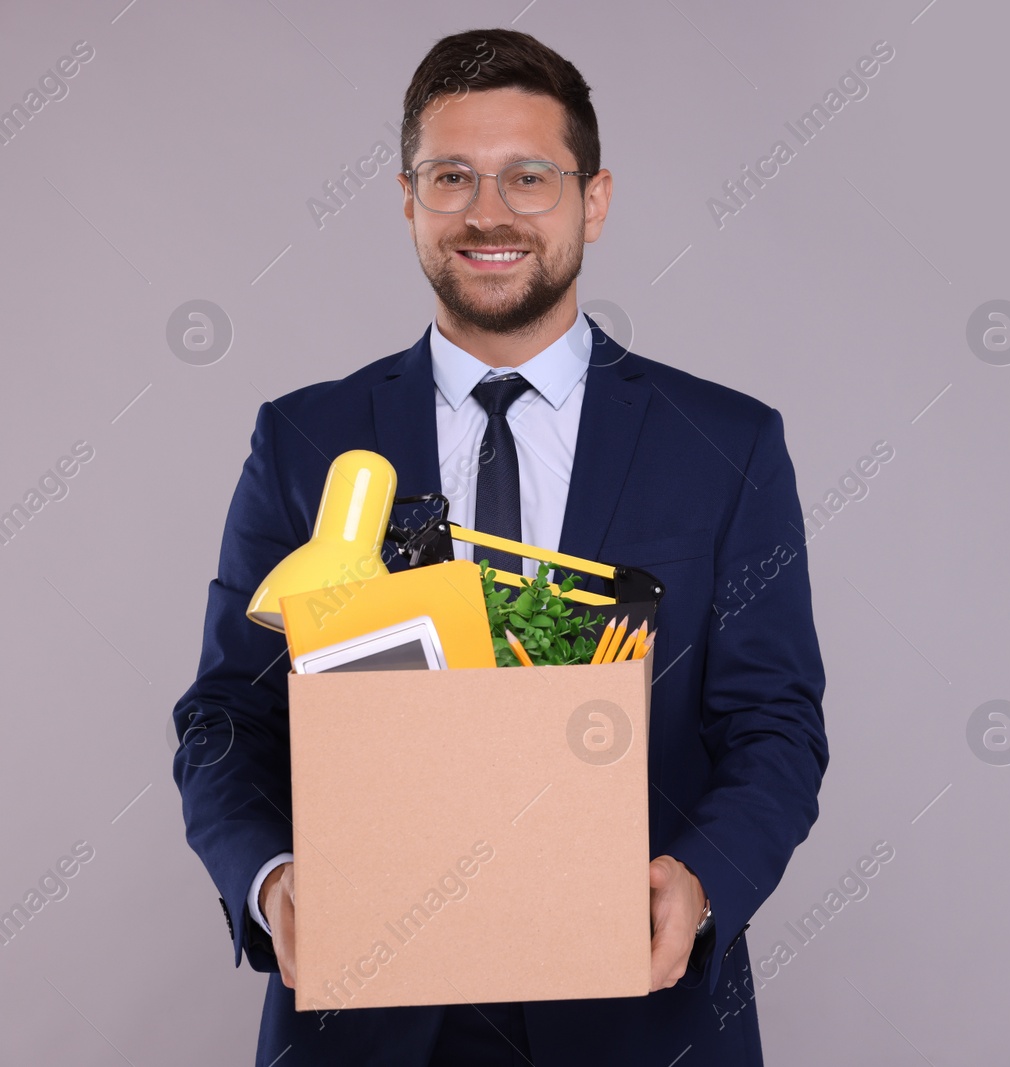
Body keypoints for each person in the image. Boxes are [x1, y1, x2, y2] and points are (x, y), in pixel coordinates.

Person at [171, 27, 827, 1066]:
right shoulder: (303, 439)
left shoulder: (728, 444)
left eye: (529, 175)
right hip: (367, 1021)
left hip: (637, 1016)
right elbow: (225, 716)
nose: (489, 212)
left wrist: (701, 878)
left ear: (593, 200)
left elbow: (775, 724)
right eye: (452, 177)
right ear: (406, 200)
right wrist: (268, 875)